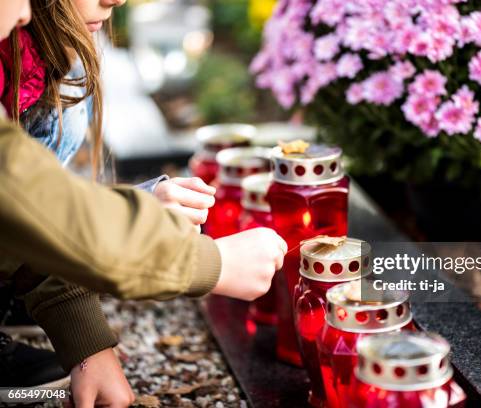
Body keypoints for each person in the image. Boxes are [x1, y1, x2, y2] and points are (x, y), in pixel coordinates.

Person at [0, 1, 287, 406]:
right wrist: (208, 262)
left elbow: (33, 209)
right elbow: (25, 203)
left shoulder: (30, 55)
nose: (115, 0)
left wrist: (87, 343)